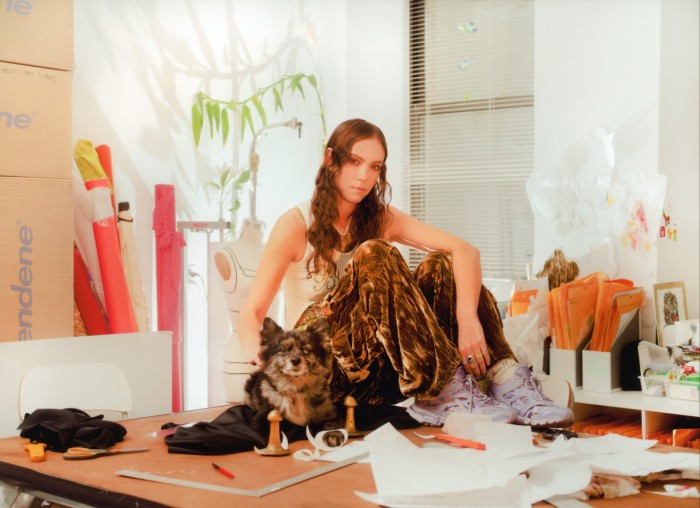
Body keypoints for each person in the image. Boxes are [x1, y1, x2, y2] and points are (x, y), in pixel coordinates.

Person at [237, 118, 573, 427]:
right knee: (374, 253)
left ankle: (505, 379)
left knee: (441, 265)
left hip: (376, 377)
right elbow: (251, 314)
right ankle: (441, 389)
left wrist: (467, 318)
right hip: (319, 370)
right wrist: (271, 371)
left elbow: (465, 251)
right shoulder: (295, 225)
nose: (363, 176)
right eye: (354, 162)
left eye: (374, 167)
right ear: (331, 160)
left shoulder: (379, 218)